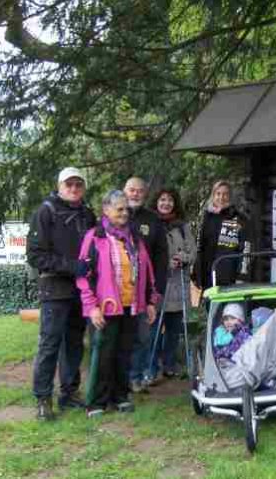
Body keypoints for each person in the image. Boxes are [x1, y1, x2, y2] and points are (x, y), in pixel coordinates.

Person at [76, 190, 159, 417]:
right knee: (103, 355)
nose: (124, 213)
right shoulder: (94, 236)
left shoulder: (134, 238)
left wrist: (150, 301)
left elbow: (147, 271)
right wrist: (91, 307)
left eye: (126, 209)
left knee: (124, 353)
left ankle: (120, 397)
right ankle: (97, 402)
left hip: (131, 306)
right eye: (119, 209)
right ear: (106, 210)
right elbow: (83, 275)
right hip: (105, 308)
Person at [26, 167, 96, 420]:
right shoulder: (46, 212)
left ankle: (69, 393)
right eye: (69, 184)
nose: (74, 188)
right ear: (59, 186)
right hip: (55, 289)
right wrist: (71, 266)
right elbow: (35, 256)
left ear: (83, 187)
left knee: (74, 343)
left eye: (78, 184)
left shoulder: (88, 214)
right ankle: (43, 398)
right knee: (50, 344)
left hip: (81, 291)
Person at [123, 177, 168, 393]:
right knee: (120, 337)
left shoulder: (153, 220)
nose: (135, 194)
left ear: (145, 194)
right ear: (124, 191)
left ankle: (136, 378)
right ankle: (118, 379)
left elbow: (161, 258)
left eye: (139, 191)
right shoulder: (115, 216)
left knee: (142, 337)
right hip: (118, 290)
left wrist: (156, 292)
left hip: (144, 291)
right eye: (131, 190)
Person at [147, 187, 196, 380]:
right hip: (157, 285)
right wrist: (166, 262)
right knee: (153, 328)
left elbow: (193, 252)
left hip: (177, 285)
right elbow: (146, 253)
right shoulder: (150, 224)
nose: (166, 203)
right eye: (162, 200)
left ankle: (169, 364)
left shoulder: (183, 227)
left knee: (174, 329)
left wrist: (182, 258)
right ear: (156, 202)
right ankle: (151, 367)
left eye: (169, 200)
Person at [213, 303, 276, 390]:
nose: (229, 322)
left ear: (240, 320)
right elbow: (220, 345)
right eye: (226, 319)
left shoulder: (245, 333)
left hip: (242, 369)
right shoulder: (220, 333)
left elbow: (257, 342)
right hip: (227, 371)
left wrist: (275, 316)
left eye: (232, 318)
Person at [192, 180, 249, 292]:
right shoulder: (207, 217)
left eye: (225, 194)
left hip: (228, 275)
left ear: (230, 196)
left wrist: (241, 274)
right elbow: (201, 246)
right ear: (213, 196)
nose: (221, 197)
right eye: (218, 194)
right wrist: (196, 272)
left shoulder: (236, 217)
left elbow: (243, 248)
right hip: (207, 273)